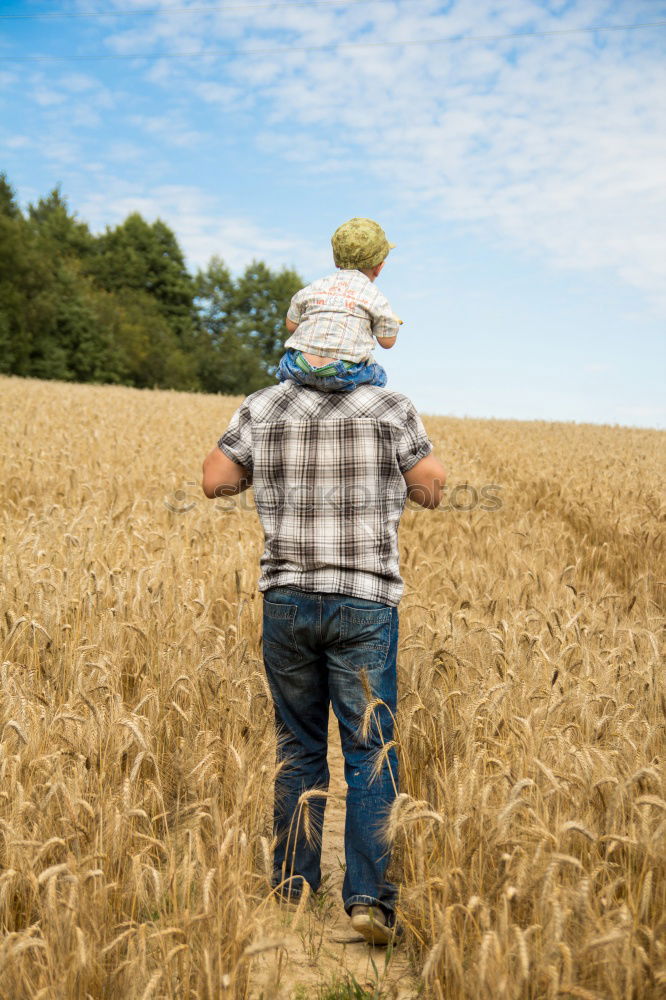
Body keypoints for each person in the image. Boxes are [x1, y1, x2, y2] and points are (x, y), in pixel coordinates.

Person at [202, 381, 445, 945]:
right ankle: (370, 902)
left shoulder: (265, 404)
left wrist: (275, 473)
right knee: (371, 748)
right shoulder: (390, 407)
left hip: (286, 599)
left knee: (298, 743)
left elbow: (217, 481)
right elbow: (431, 490)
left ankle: (292, 886)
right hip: (365, 601)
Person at [276, 217, 402, 393]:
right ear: (379, 267)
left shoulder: (314, 286)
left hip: (299, 367)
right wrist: (392, 321)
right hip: (344, 373)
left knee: (286, 360)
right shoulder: (376, 298)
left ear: (336, 261)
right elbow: (387, 342)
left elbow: (291, 326)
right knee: (379, 374)